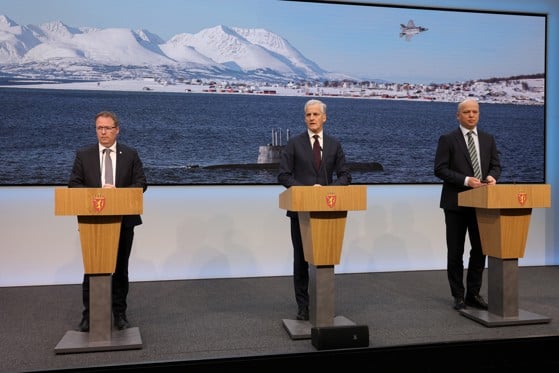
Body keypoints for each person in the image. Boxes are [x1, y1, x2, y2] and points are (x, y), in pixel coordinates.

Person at [69, 111, 148, 332]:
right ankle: (90, 315)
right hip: (92, 223)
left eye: (107, 128)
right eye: (99, 128)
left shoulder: (130, 155)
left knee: (120, 269)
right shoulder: (84, 155)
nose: (102, 132)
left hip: (124, 221)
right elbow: (73, 185)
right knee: (93, 269)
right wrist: (98, 193)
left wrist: (118, 194)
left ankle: (120, 314)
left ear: (117, 130)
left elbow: (141, 183)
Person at [278, 99, 351, 321]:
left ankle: (323, 305)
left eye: (316, 114)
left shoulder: (334, 144)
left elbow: (346, 176)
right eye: (308, 115)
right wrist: (309, 191)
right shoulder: (294, 144)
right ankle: (303, 306)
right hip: (300, 211)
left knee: (324, 260)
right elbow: (283, 175)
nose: (312, 118)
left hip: (328, 211)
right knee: (301, 260)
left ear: (324, 117)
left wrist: (326, 191)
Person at [434, 97, 501, 311]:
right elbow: (440, 169)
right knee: (455, 251)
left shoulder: (488, 139)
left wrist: (491, 176)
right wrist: (465, 180)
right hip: (456, 204)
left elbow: (496, 165)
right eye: (466, 112)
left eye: (475, 112)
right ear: (458, 115)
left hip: (481, 204)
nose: (471, 115)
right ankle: (458, 296)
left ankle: (473, 294)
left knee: (480, 250)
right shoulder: (448, 139)